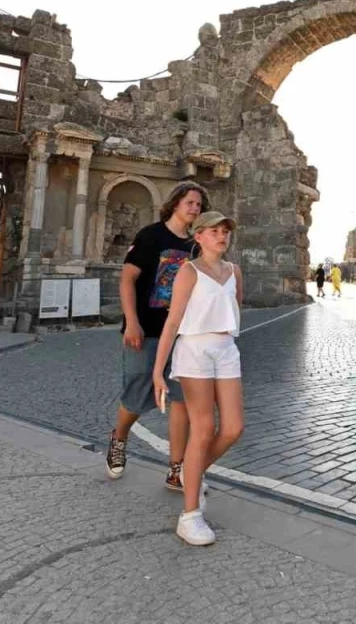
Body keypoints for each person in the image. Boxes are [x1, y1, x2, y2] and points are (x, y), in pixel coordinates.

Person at [107, 181, 209, 488]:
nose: (195, 209)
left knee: (180, 400)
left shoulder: (197, 245)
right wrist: (132, 322)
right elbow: (127, 280)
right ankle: (119, 437)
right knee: (137, 394)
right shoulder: (151, 235)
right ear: (175, 203)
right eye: (190, 202)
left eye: (199, 205)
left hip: (183, 335)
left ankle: (176, 470)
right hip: (147, 330)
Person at [153, 210, 244, 546]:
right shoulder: (188, 271)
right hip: (194, 350)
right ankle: (189, 515)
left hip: (226, 348)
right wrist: (158, 370)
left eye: (225, 231)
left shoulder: (235, 271)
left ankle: (190, 473)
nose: (222, 236)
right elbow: (173, 321)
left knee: (233, 428)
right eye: (214, 231)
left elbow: (235, 309)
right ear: (199, 236)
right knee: (203, 428)